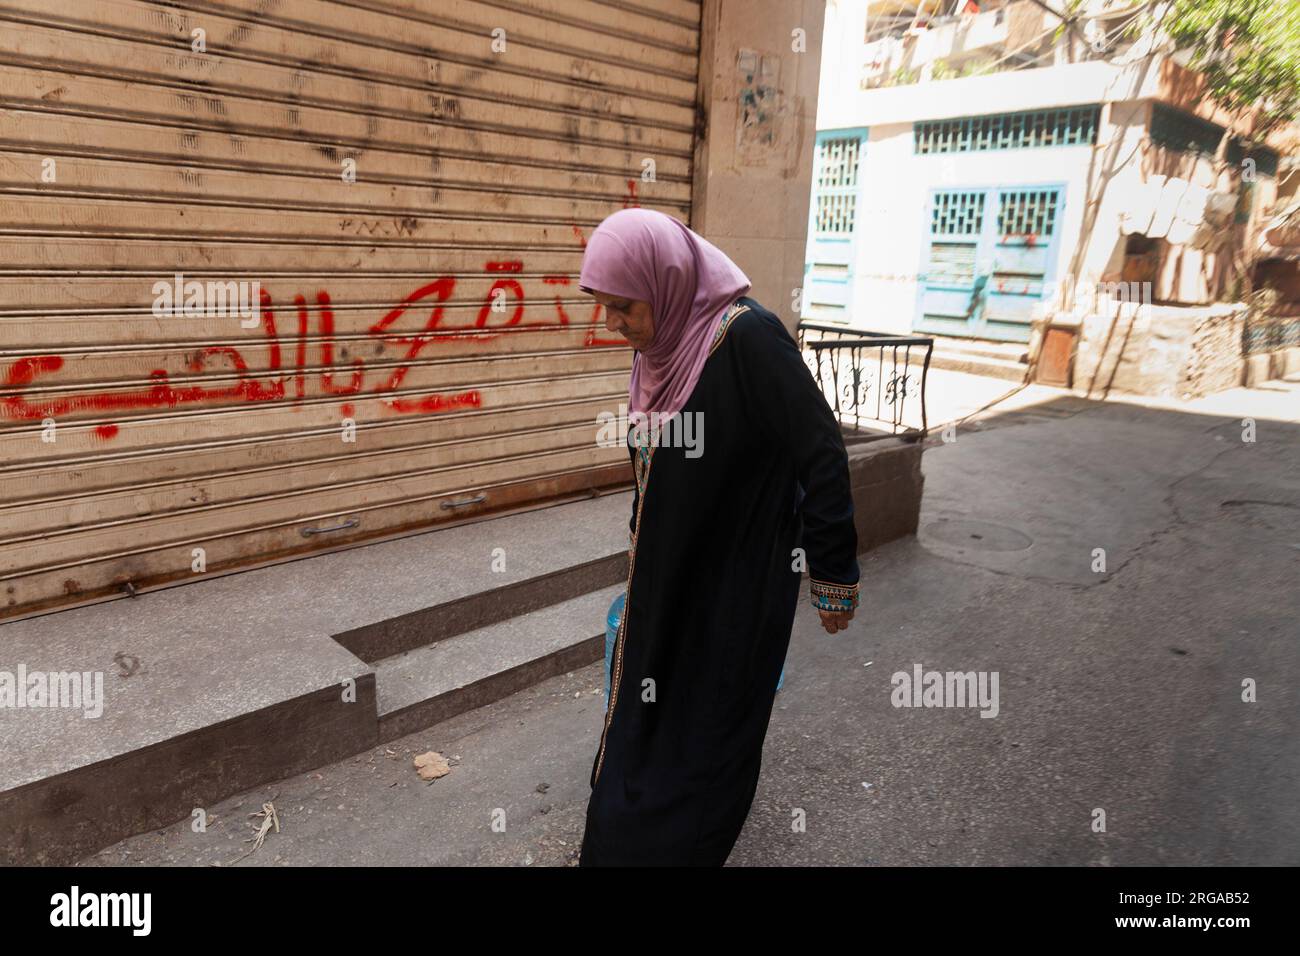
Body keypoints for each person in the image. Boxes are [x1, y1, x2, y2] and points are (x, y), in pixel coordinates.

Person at [577, 208, 860, 867]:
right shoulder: (660, 354)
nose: (613, 325)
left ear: (669, 282)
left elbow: (820, 450)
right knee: (641, 726)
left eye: (624, 307)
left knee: (703, 738)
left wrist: (832, 570)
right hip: (665, 585)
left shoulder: (749, 340)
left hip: (732, 591)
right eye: (604, 308)